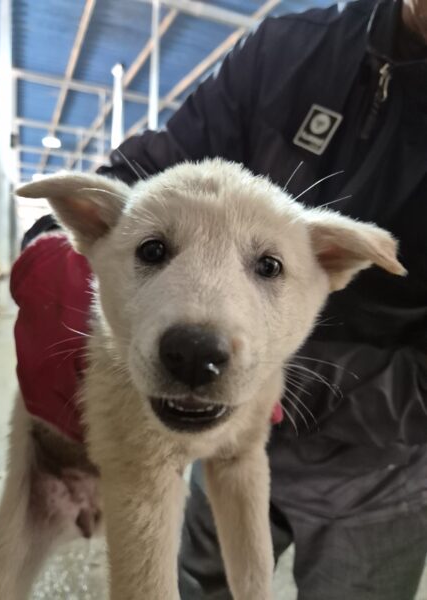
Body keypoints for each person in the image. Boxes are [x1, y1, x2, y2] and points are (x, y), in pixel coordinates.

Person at [96, 0, 426, 597]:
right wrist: (52, 246)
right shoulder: (292, 47)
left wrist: (301, 380)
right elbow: (162, 170)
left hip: (380, 475)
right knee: (200, 581)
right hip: (222, 436)